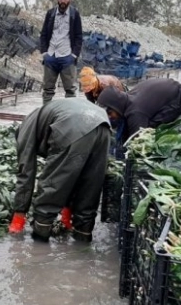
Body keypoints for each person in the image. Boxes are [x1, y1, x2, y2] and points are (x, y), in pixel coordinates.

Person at [9, 98, 111, 243]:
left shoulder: (24, 131)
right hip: (103, 125)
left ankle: (39, 242)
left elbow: (25, 172)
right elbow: (73, 175)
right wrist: (67, 211)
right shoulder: (41, 118)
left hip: (72, 125)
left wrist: (19, 213)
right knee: (90, 187)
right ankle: (82, 240)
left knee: (51, 186)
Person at [96, 78, 181, 147]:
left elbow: (137, 142)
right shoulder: (128, 98)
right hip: (168, 94)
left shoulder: (136, 113)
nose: (110, 117)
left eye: (110, 113)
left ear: (116, 106)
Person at [39, 0, 83, 104]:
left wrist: (73, 55)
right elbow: (43, 34)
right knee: (47, 90)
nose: (62, 1)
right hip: (51, 56)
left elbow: (79, 36)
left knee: (70, 90)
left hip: (67, 57)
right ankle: (46, 114)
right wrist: (44, 53)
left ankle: (69, 116)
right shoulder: (51, 13)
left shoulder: (74, 14)